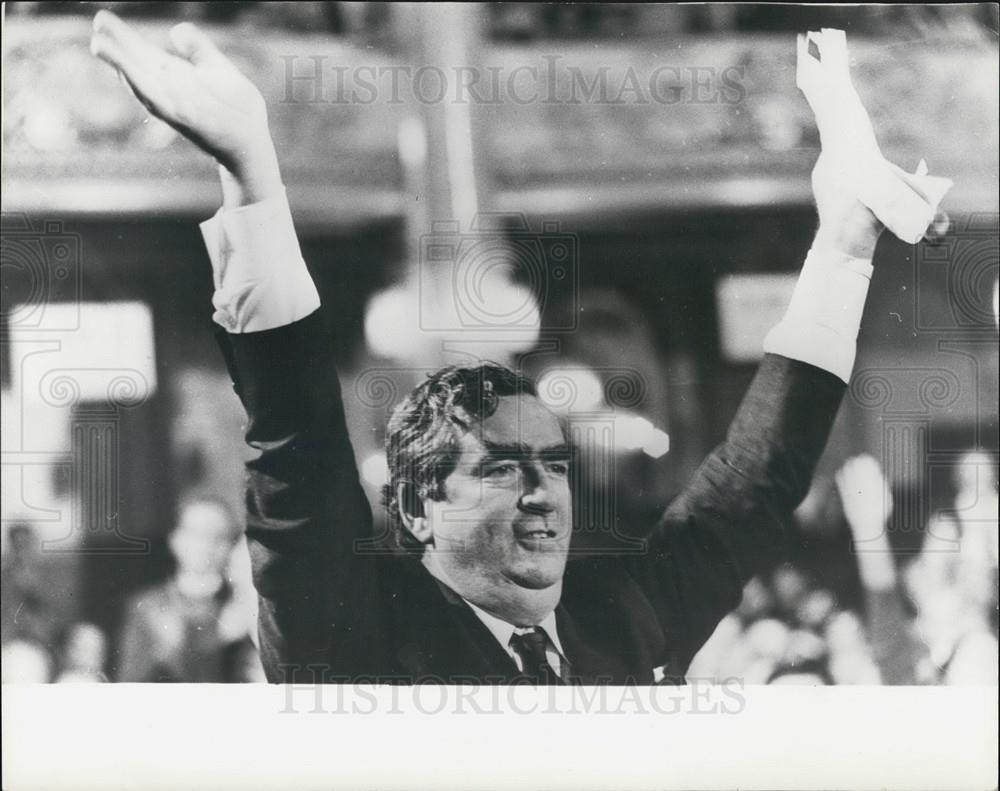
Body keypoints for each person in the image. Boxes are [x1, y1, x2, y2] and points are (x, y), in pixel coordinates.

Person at [90, 15, 950, 684]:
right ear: (418, 511)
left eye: (553, 464)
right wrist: (252, 174)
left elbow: (753, 485)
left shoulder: (625, 619)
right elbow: (295, 438)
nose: (544, 494)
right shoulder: (351, 630)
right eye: (501, 468)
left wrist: (842, 245)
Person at [117, 496, 261, 682]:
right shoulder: (148, 607)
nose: (205, 545)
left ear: (231, 545)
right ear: (175, 539)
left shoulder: (242, 604)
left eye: (217, 535)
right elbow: (130, 683)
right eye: (195, 533)